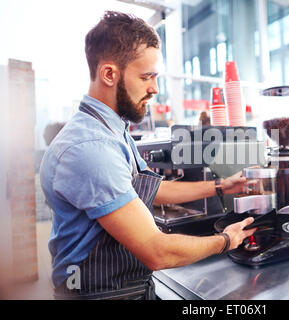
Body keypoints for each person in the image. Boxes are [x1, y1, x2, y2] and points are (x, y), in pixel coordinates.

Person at [39, 11, 256, 300]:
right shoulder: (90, 147)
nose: (154, 88)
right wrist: (227, 240)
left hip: (130, 288)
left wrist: (219, 186)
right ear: (108, 74)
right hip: (101, 294)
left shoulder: (112, 129)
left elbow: (150, 189)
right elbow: (157, 251)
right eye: (146, 77)